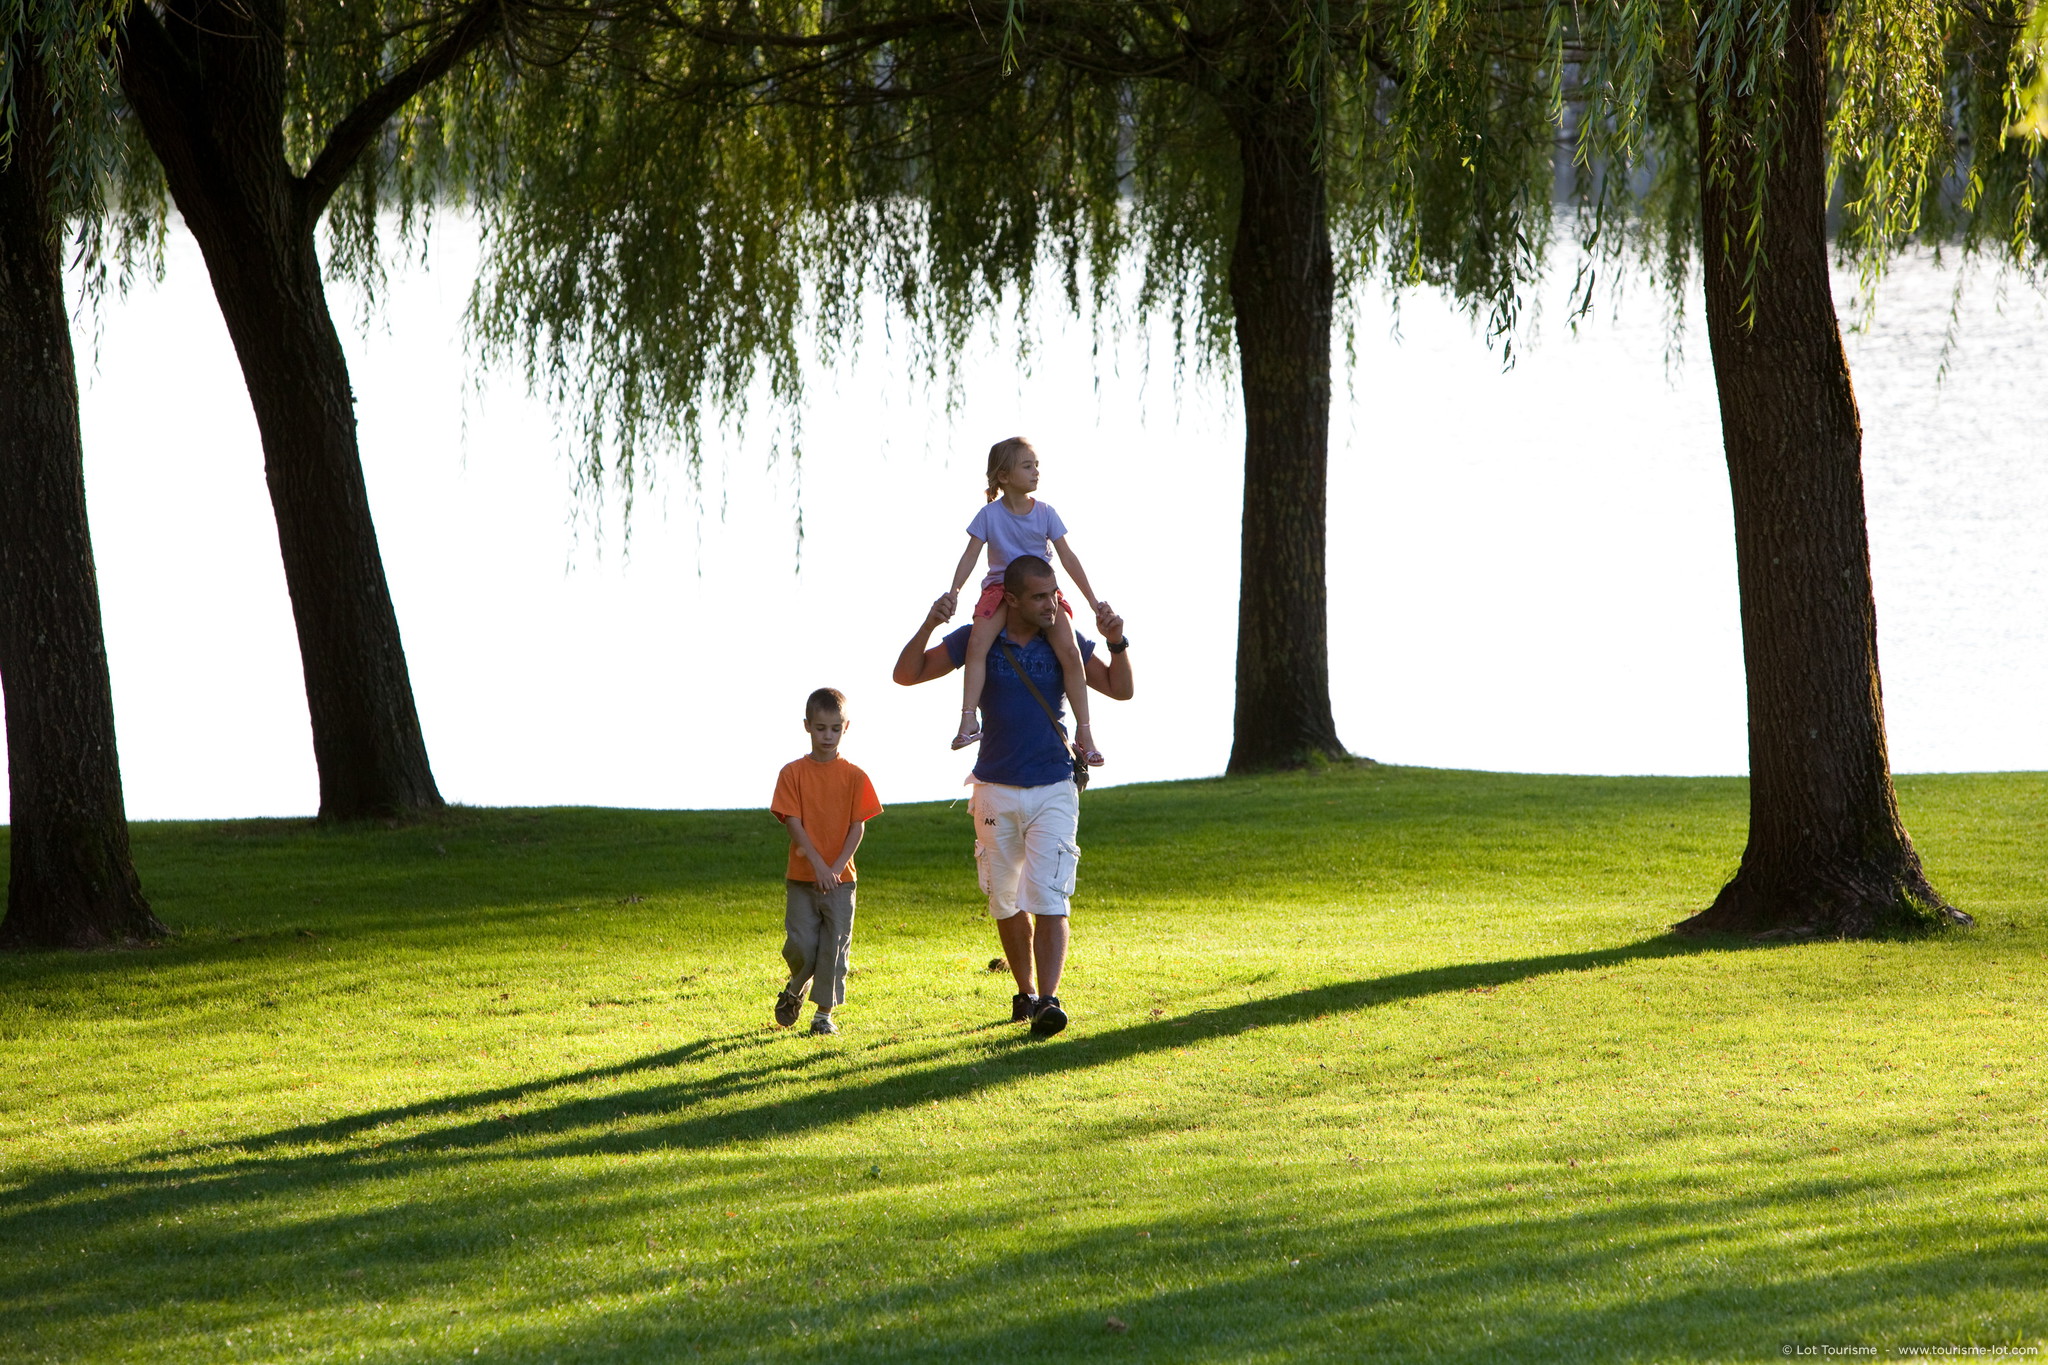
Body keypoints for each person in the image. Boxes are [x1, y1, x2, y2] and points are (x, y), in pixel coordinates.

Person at [894, 554, 1133, 1036]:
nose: (1052, 604)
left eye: (1054, 594)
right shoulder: (979, 638)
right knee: (1005, 898)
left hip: (1054, 786)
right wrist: (929, 621)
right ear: (1013, 599)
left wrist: (1116, 642)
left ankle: (1049, 999)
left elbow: (1120, 688)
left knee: (1050, 894)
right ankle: (1025, 992)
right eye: (1040, 597)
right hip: (994, 790)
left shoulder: (1064, 638)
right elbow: (907, 672)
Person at [942, 436, 1111, 767]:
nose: (1035, 472)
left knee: (1071, 652)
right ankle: (968, 719)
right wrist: (954, 591)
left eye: (1036, 466)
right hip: (999, 590)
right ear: (1004, 476)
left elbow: (1068, 558)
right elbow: (969, 556)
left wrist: (1092, 601)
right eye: (1027, 465)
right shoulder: (989, 515)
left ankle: (1085, 734)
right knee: (977, 644)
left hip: (1041, 592)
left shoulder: (1046, 513)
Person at [769, 687, 883, 1036]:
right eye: (820, 728)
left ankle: (823, 1016)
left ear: (846, 727)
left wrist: (835, 869)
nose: (827, 736)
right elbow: (793, 822)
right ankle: (795, 985)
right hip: (802, 877)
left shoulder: (855, 776)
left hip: (841, 880)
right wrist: (818, 866)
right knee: (803, 945)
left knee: (834, 946)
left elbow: (857, 826)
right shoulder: (792, 773)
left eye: (835, 728)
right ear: (807, 726)